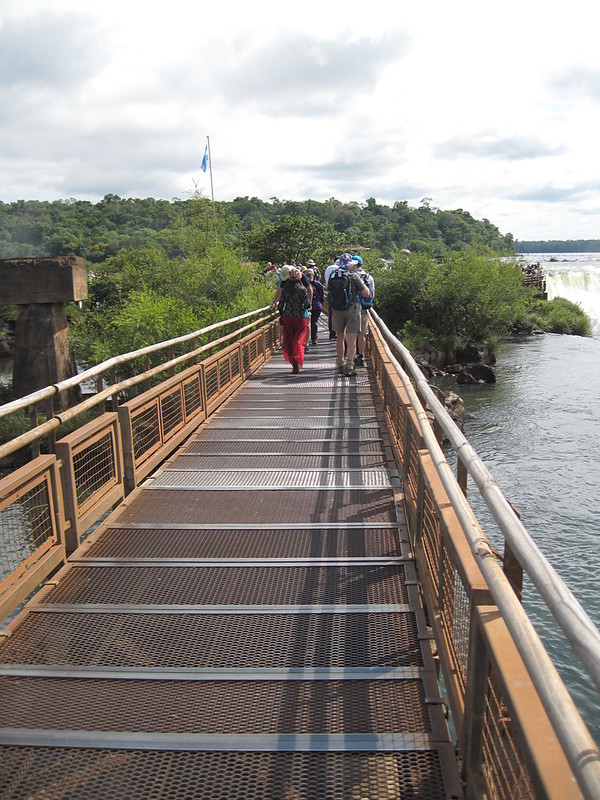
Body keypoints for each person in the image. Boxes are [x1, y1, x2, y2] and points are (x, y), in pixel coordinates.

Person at [327, 253, 371, 377]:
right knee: (352, 338)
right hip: (352, 309)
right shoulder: (354, 276)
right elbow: (366, 293)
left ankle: (340, 363)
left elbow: (328, 290)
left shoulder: (333, 276)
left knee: (339, 337)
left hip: (337, 309)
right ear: (350, 265)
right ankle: (350, 366)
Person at [272, 266, 310, 374]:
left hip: (288, 318)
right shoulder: (302, 290)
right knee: (299, 339)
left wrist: (281, 315)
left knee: (288, 339)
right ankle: (297, 357)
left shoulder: (286, 289)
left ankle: (293, 362)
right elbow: (307, 304)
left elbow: (281, 304)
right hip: (299, 317)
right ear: (299, 278)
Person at [352, 255, 374, 367]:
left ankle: (350, 357)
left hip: (352, 307)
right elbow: (372, 294)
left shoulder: (351, 276)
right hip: (364, 309)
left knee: (351, 333)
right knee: (362, 334)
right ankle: (361, 356)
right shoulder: (369, 277)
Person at [306, 268, 324, 345]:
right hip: (317, 306)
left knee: (307, 323)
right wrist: (320, 303)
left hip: (308, 306)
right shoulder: (318, 284)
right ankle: (314, 338)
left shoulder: (305, 284)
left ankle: (306, 340)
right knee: (314, 322)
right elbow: (322, 296)